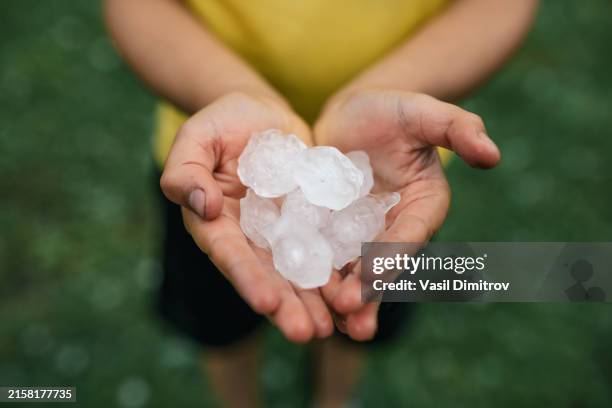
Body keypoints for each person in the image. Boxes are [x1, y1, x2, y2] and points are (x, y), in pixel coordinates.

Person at [104, 0, 538, 406]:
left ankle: (332, 398)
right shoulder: (231, 182)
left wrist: (391, 86)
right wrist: (228, 90)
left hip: (396, 166)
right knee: (218, 319)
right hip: (218, 167)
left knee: (359, 310)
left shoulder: (387, 193)